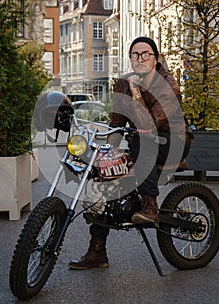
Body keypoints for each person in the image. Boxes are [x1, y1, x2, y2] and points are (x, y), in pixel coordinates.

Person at [68, 36, 193, 270]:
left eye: (146, 54)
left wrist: (136, 92)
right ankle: (97, 251)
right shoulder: (123, 82)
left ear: (155, 59)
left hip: (172, 141)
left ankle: (150, 205)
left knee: (140, 137)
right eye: (135, 54)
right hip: (143, 138)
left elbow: (150, 123)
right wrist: (108, 151)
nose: (140, 58)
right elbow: (117, 121)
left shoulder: (168, 84)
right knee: (105, 172)